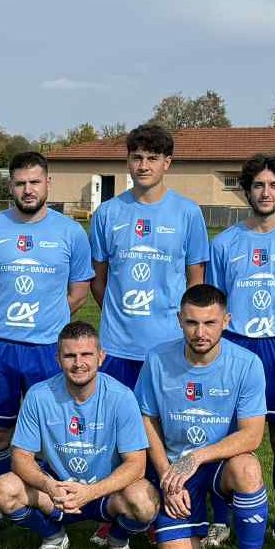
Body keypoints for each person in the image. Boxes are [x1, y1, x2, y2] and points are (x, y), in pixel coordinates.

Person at [0, 151, 92, 516]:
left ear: (48, 183)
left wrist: (47, 320)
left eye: (35, 182)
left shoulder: (71, 232)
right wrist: (7, 319)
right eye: (20, 183)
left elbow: (79, 292)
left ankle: (54, 501)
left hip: (47, 348)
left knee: (52, 431)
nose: (28, 190)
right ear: (10, 185)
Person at [208, 153, 275, 549]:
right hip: (235, 346)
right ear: (247, 191)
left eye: (273, 185)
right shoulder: (224, 243)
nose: (265, 192)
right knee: (228, 434)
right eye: (258, 185)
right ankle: (220, 520)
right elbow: (215, 302)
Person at [136, 285, 272, 549]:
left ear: (226, 321)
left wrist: (197, 457)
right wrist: (167, 477)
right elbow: (147, 420)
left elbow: (252, 435)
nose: (200, 332)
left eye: (210, 323)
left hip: (220, 465)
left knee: (248, 467)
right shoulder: (157, 359)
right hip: (175, 467)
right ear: (179, 320)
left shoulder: (247, 363)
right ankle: (184, 522)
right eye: (192, 323)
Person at [0, 321, 159, 549]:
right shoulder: (39, 396)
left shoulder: (122, 397)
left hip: (105, 494)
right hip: (57, 492)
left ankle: (118, 541)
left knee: (145, 502)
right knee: (4, 489)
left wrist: (90, 492)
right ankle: (53, 536)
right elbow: (20, 458)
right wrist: (50, 486)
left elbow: (136, 465)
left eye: (86, 355)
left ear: (101, 357)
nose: (78, 363)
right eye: (69, 355)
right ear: (58, 359)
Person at [89, 123, 209, 391]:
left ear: (167, 163)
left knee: (164, 417)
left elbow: (196, 282)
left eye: (152, 158)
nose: (143, 166)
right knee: (115, 416)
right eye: (137, 158)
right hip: (116, 346)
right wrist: (119, 315)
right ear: (128, 161)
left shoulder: (188, 213)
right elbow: (98, 280)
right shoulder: (106, 213)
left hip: (169, 343)